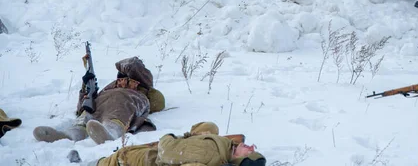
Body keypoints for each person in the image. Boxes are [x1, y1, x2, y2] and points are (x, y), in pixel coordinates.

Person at [33, 57, 165, 145]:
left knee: (119, 109)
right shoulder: (110, 87)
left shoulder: (142, 90)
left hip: (124, 104)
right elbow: (82, 107)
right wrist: (86, 87)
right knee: (86, 115)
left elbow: (134, 66)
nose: (122, 81)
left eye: (126, 79)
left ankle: (110, 132)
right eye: (121, 79)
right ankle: (67, 135)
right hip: (102, 104)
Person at [82, 121, 266, 166]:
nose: (251, 147)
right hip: (170, 151)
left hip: (144, 158)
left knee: (117, 158)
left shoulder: (208, 153)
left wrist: (171, 137)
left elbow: (167, 151)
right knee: (211, 126)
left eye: (249, 152)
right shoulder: (226, 146)